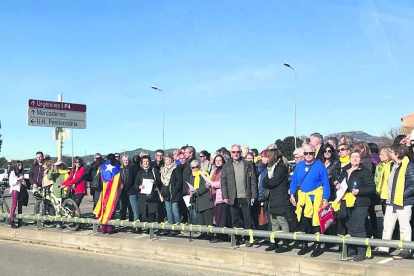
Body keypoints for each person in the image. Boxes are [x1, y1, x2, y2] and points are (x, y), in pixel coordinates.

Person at [290, 144, 330, 257]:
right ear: (303, 155)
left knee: (316, 223)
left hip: (316, 199)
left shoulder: (320, 166)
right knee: (303, 222)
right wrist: (292, 194)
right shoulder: (299, 166)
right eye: (306, 153)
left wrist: (325, 199)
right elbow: (294, 182)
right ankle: (304, 245)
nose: (308, 155)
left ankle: (317, 245)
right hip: (303, 199)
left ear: (314, 154)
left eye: (311, 153)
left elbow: (326, 184)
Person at [336, 149, 375, 262]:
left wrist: (360, 191)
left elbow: (371, 188)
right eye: (353, 156)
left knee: (359, 227)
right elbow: (341, 183)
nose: (355, 158)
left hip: (360, 202)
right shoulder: (345, 170)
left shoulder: (365, 171)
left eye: (357, 157)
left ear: (360, 159)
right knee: (350, 226)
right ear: (349, 158)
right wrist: (337, 185)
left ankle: (362, 251)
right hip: (347, 201)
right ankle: (353, 248)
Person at [376, 144, 414, 259]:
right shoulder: (394, 165)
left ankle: (406, 250)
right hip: (391, 201)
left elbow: (412, 185)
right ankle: (384, 247)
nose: (390, 154)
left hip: (404, 201)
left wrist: (401, 196)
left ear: (397, 153)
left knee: (404, 226)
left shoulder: (409, 166)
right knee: (387, 224)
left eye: (391, 152)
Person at [221, 144, 258, 247]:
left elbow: (253, 181)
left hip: (246, 196)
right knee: (235, 219)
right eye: (233, 152)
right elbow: (223, 182)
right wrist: (225, 196)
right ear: (231, 153)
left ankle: (247, 239)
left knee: (247, 219)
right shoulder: (226, 166)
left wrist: (254, 195)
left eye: (238, 152)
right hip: (233, 197)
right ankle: (237, 239)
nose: (236, 154)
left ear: (241, 152)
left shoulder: (247, 164)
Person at [263, 148, 291, 253]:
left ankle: (285, 243)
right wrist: (267, 182)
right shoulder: (270, 168)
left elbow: (272, 182)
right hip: (273, 198)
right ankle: (274, 242)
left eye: (267, 156)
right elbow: (265, 181)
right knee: (273, 221)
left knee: (282, 221)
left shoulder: (281, 167)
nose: (266, 158)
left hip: (280, 197)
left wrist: (267, 182)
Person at [93, 154, 123, 234]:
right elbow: (119, 181)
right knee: (111, 209)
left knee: (104, 208)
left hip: (104, 190)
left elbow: (101, 177)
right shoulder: (116, 167)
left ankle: (103, 228)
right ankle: (110, 228)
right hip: (113, 191)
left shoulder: (103, 166)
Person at [189, 159, 213, 239]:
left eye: (197, 167)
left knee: (208, 218)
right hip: (197, 201)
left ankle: (210, 234)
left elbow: (205, 186)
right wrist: (190, 191)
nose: (195, 169)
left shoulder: (204, 174)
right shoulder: (192, 176)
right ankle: (203, 233)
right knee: (201, 219)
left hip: (205, 199)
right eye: (193, 167)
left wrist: (196, 191)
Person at [206, 154, 228, 242]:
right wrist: (208, 184)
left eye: (220, 160)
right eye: (216, 161)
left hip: (222, 196)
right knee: (217, 217)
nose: (218, 162)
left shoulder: (224, 170)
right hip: (214, 195)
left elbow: (221, 183)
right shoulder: (214, 170)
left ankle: (222, 236)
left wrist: (211, 183)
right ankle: (218, 234)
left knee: (222, 217)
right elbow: (212, 181)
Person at [134, 156, 162, 224]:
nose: (146, 163)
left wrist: (155, 182)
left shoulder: (154, 170)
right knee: (143, 213)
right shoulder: (140, 172)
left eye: (147, 161)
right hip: (142, 196)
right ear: (142, 163)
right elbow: (135, 184)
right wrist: (138, 187)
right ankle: (140, 228)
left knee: (151, 214)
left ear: (149, 162)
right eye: (144, 162)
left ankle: (151, 230)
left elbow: (160, 182)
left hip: (152, 196)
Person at [160, 153, 183, 229]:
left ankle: (177, 226)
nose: (168, 160)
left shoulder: (176, 168)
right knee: (168, 209)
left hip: (174, 192)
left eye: (169, 159)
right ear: (164, 160)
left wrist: (175, 189)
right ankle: (170, 225)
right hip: (166, 192)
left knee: (175, 209)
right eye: (166, 159)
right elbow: (162, 182)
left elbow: (179, 180)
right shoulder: (163, 169)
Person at [375, 146, 393, 214]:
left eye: (382, 155)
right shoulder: (380, 165)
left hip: (390, 193)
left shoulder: (392, 165)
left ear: (388, 155)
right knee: (385, 214)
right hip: (382, 193)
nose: (379, 156)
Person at [124, 155, 141, 224]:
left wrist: (126, 189)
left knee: (134, 209)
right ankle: (138, 223)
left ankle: (136, 225)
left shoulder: (131, 169)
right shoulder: (140, 169)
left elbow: (130, 180)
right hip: (140, 190)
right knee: (138, 208)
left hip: (132, 191)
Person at [8, 161, 25, 228]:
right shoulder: (12, 173)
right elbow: (11, 183)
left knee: (20, 205)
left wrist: (23, 182)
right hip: (15, 189)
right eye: (19, 165)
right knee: (14, 205)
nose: (20, 166)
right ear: (16, 166)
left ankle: (20, 220)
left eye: (21, 165)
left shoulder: (20, 173)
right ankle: (12, 220)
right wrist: (18, 179)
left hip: (20, 189)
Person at [119, 156, 133, 221]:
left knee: (130, 206)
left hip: (130, 189)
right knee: (122, 206)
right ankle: (122, 220)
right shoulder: (120, 170)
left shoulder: (131, 169)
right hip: (122, 190)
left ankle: (131, 220)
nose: (126, 161)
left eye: (127, 160)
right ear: (122, 161)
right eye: (124, 160)